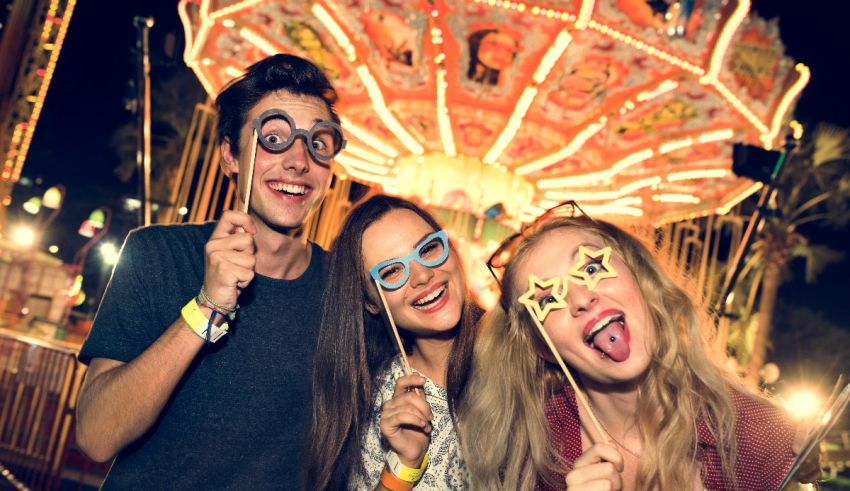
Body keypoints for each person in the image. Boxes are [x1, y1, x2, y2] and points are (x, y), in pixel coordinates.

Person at [75, 54, 344, 489]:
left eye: (318, 143)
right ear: (230, 157)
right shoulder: (156, 254)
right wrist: (208, 306)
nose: (299, 160)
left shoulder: (346, 291)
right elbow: (96, 436)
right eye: (274, 138)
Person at [460, 214, 800, 490]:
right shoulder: (528, 455)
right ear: (541, 347)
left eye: (592, 268)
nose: (580, 298)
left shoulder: (757, 436)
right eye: (548, 300)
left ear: (642, 279)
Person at [304, 195, 479, 489]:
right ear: (371, 303)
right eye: (391, 271)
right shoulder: (379, 399)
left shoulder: (526, 355)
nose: (422, 275)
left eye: (428, 248)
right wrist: (405, 464)